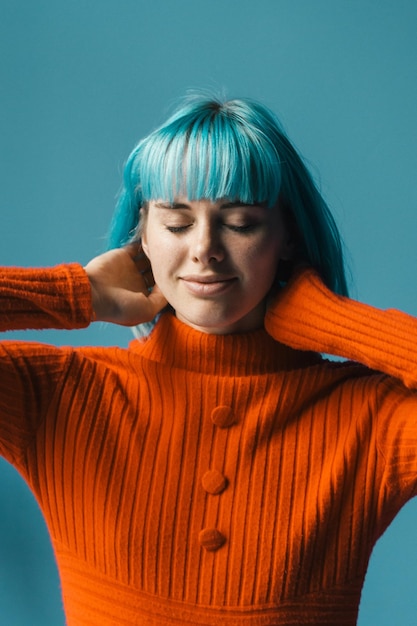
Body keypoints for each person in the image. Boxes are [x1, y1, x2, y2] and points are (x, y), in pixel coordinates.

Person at [1, 95, 417, 626]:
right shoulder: (62, 395)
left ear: (286, 236)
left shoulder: (370, 419)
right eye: (176, 224)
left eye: (240, 223)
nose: (205, 249)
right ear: (142, 238)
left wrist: (329, 320)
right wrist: (72, 293)